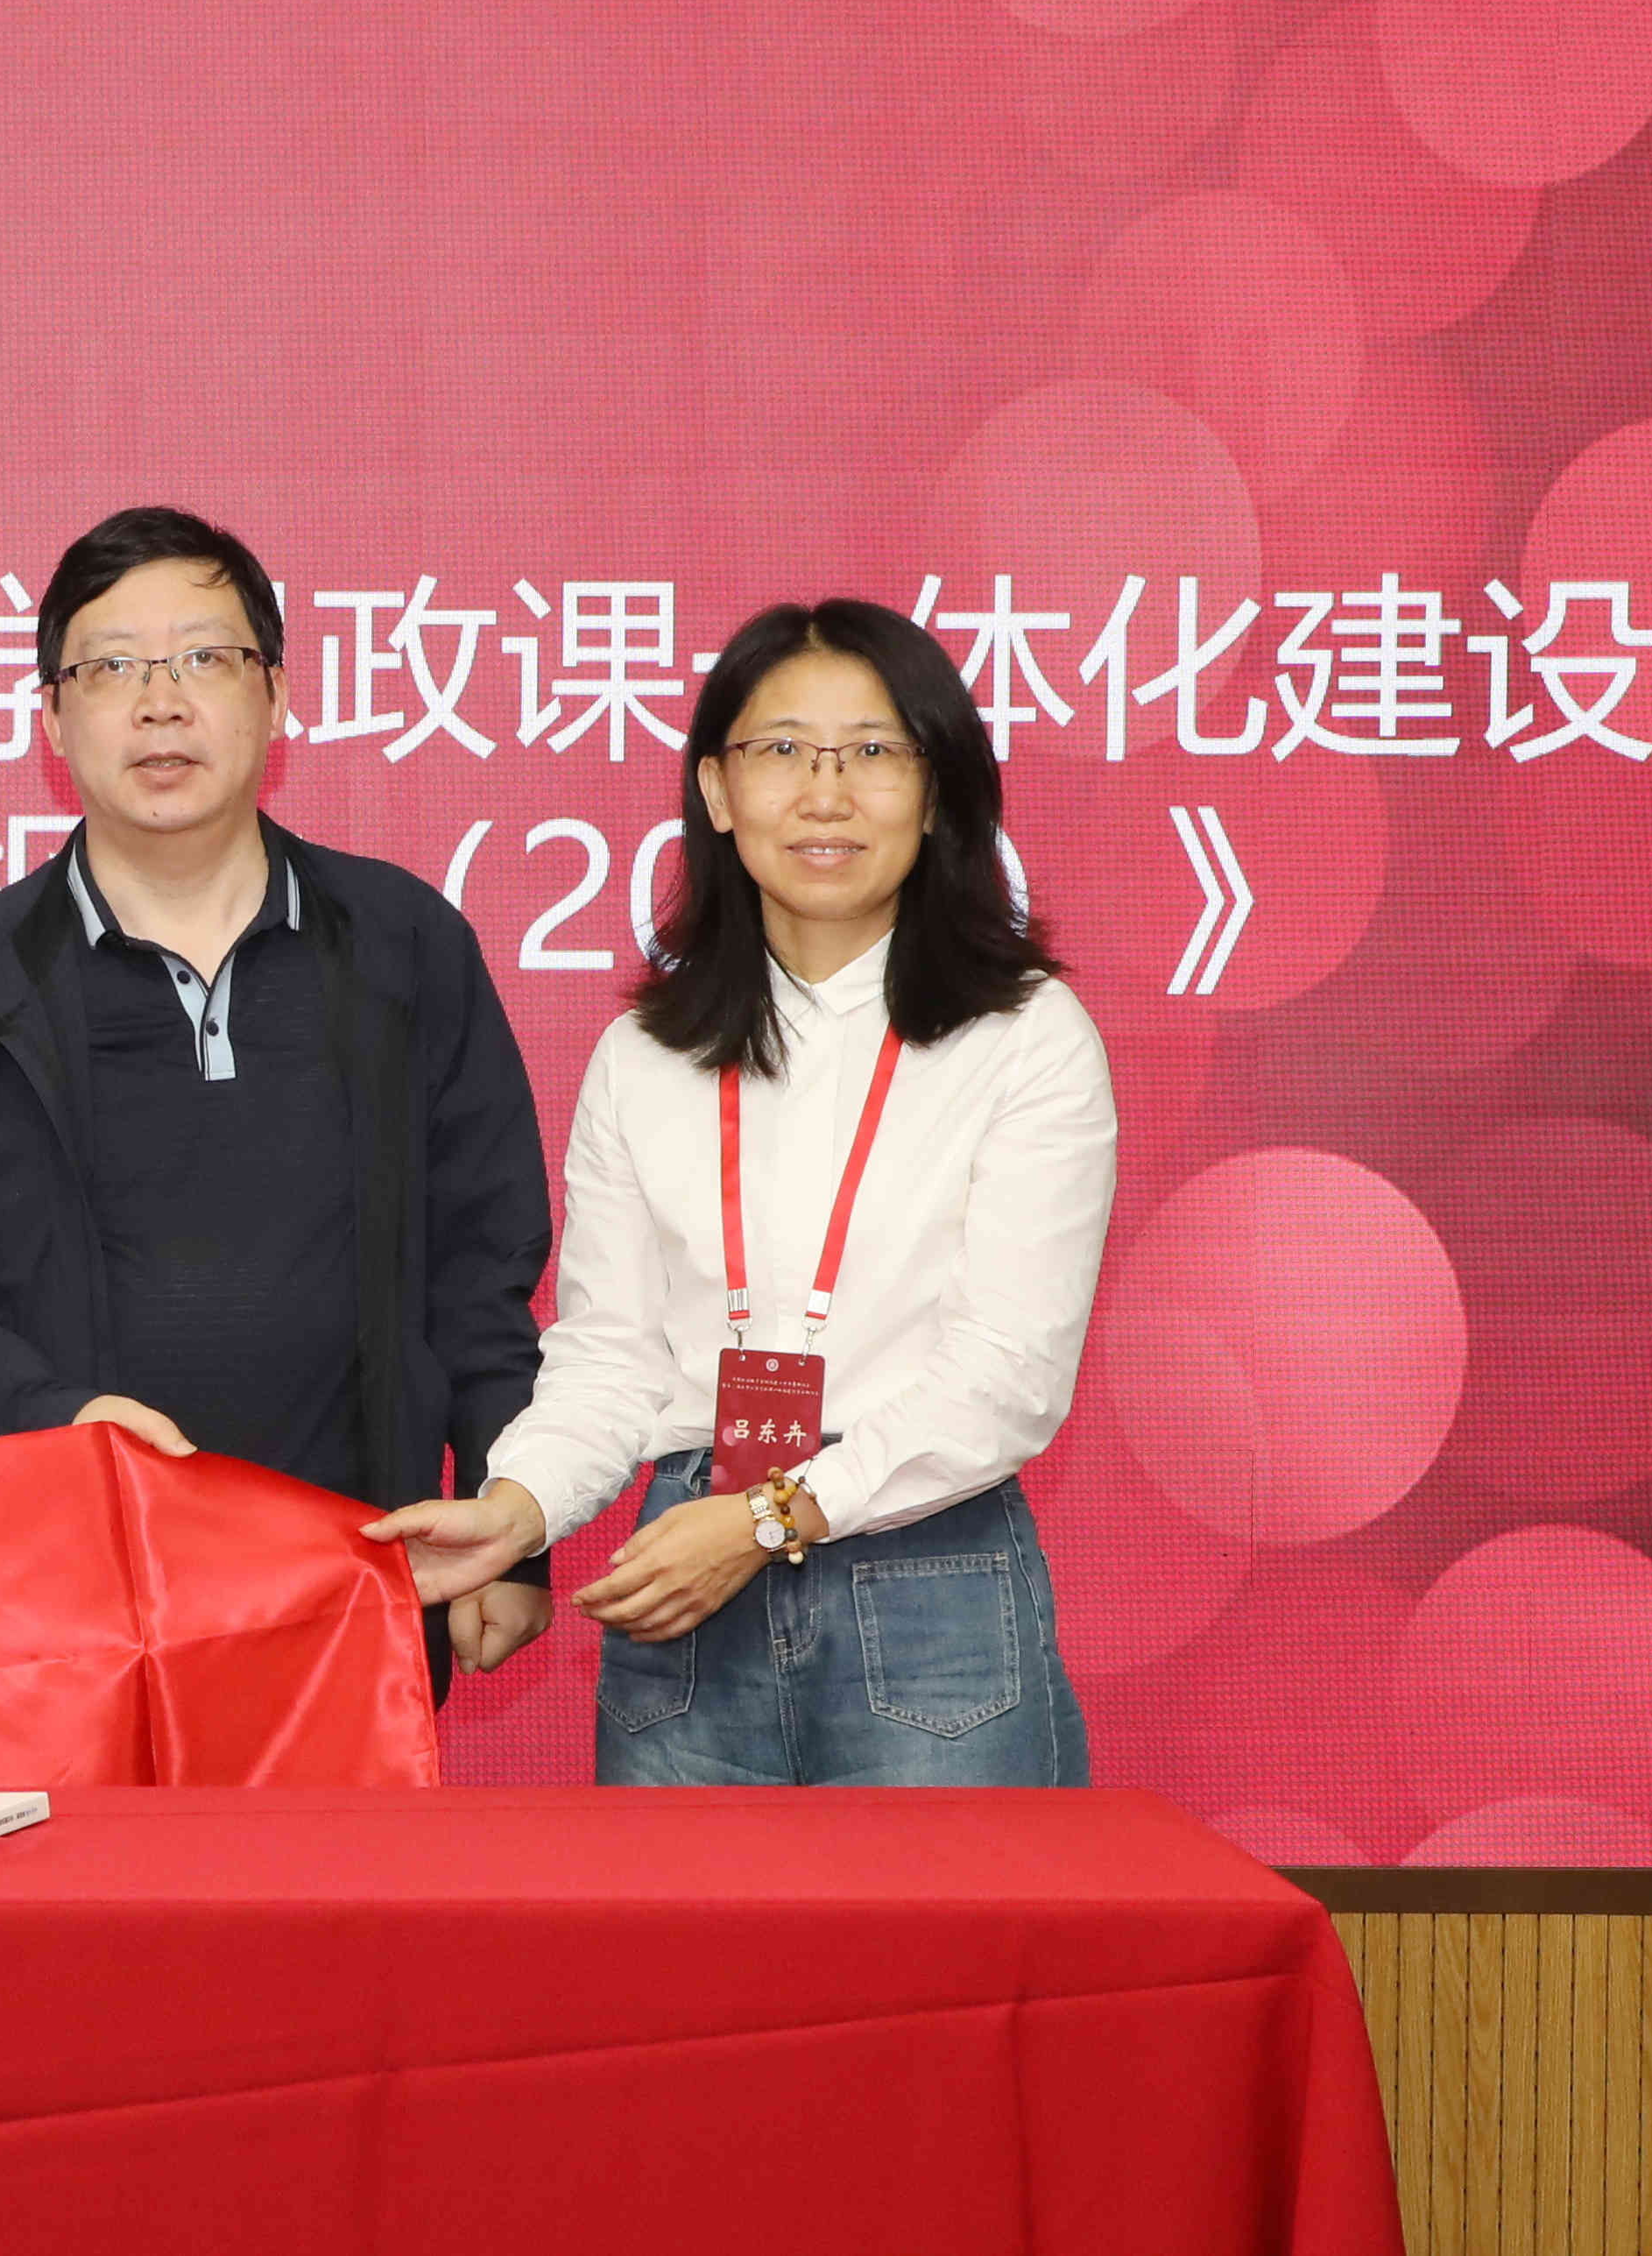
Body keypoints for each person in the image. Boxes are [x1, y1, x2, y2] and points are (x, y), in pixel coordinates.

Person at [368, 598, 1115, 1785]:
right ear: (717, 790)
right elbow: (609, 1356)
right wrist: (516, 1505)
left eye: (872, 751)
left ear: (937, 791)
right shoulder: (647, 1051)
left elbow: (1008, 1373)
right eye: (781, 750)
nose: (826, 793)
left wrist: (770, 1516)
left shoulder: (1024, 1034)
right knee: (683, 1919)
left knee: (950, 1918)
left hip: (925, 1579)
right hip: (683, 1578)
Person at [0, 506, 558, 1689]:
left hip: (356, 1587)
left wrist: (509, 1519)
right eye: (112, 666)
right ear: (51, 717)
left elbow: (482, 1272)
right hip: (63, 1614)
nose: (160, 701)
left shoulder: (405, 948)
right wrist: (57, 1420)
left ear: (276, 693)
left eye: (203, 658)